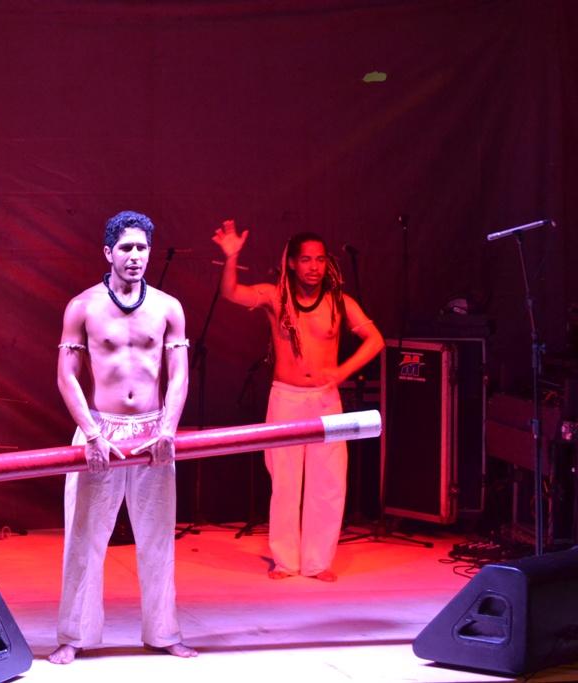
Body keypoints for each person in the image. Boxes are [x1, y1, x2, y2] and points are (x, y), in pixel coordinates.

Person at [49, 211, 198, 664]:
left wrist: (168, 428)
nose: (135, 256)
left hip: (154, 429)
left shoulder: (168, 307)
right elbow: (66, 376)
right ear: (108, 253)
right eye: (126, 248)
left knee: (157, 537)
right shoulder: (83, 306)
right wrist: (92, 434)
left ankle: (163, 631)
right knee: (84, 536)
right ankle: (74, 635)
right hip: (101, 429)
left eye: (142, 248)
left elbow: (178, 374)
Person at [212, 220, 383, 582]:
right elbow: (231, 293)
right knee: (286, 482)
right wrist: (232, 257)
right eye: (306, 260)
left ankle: (318, 562)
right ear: (291, 262)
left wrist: (342, 371)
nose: (314, 267)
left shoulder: (340, 301)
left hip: (325, 399)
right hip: (287, 398)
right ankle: (286, 561)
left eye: (320, 260)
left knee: (329, 483)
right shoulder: (276, 297)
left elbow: (375, 340)